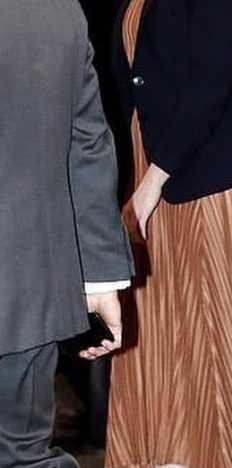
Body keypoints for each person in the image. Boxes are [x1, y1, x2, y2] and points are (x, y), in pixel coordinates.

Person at [105, 0, 232, 466]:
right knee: (173, 347)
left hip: (220, 179)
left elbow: (212, 72)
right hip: (158, 174)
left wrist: (154, 178)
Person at [0, 0, 133, 466]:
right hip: (26, 292)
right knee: (21, 454)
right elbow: (87, 144)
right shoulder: (55, 10)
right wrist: (99, 277)